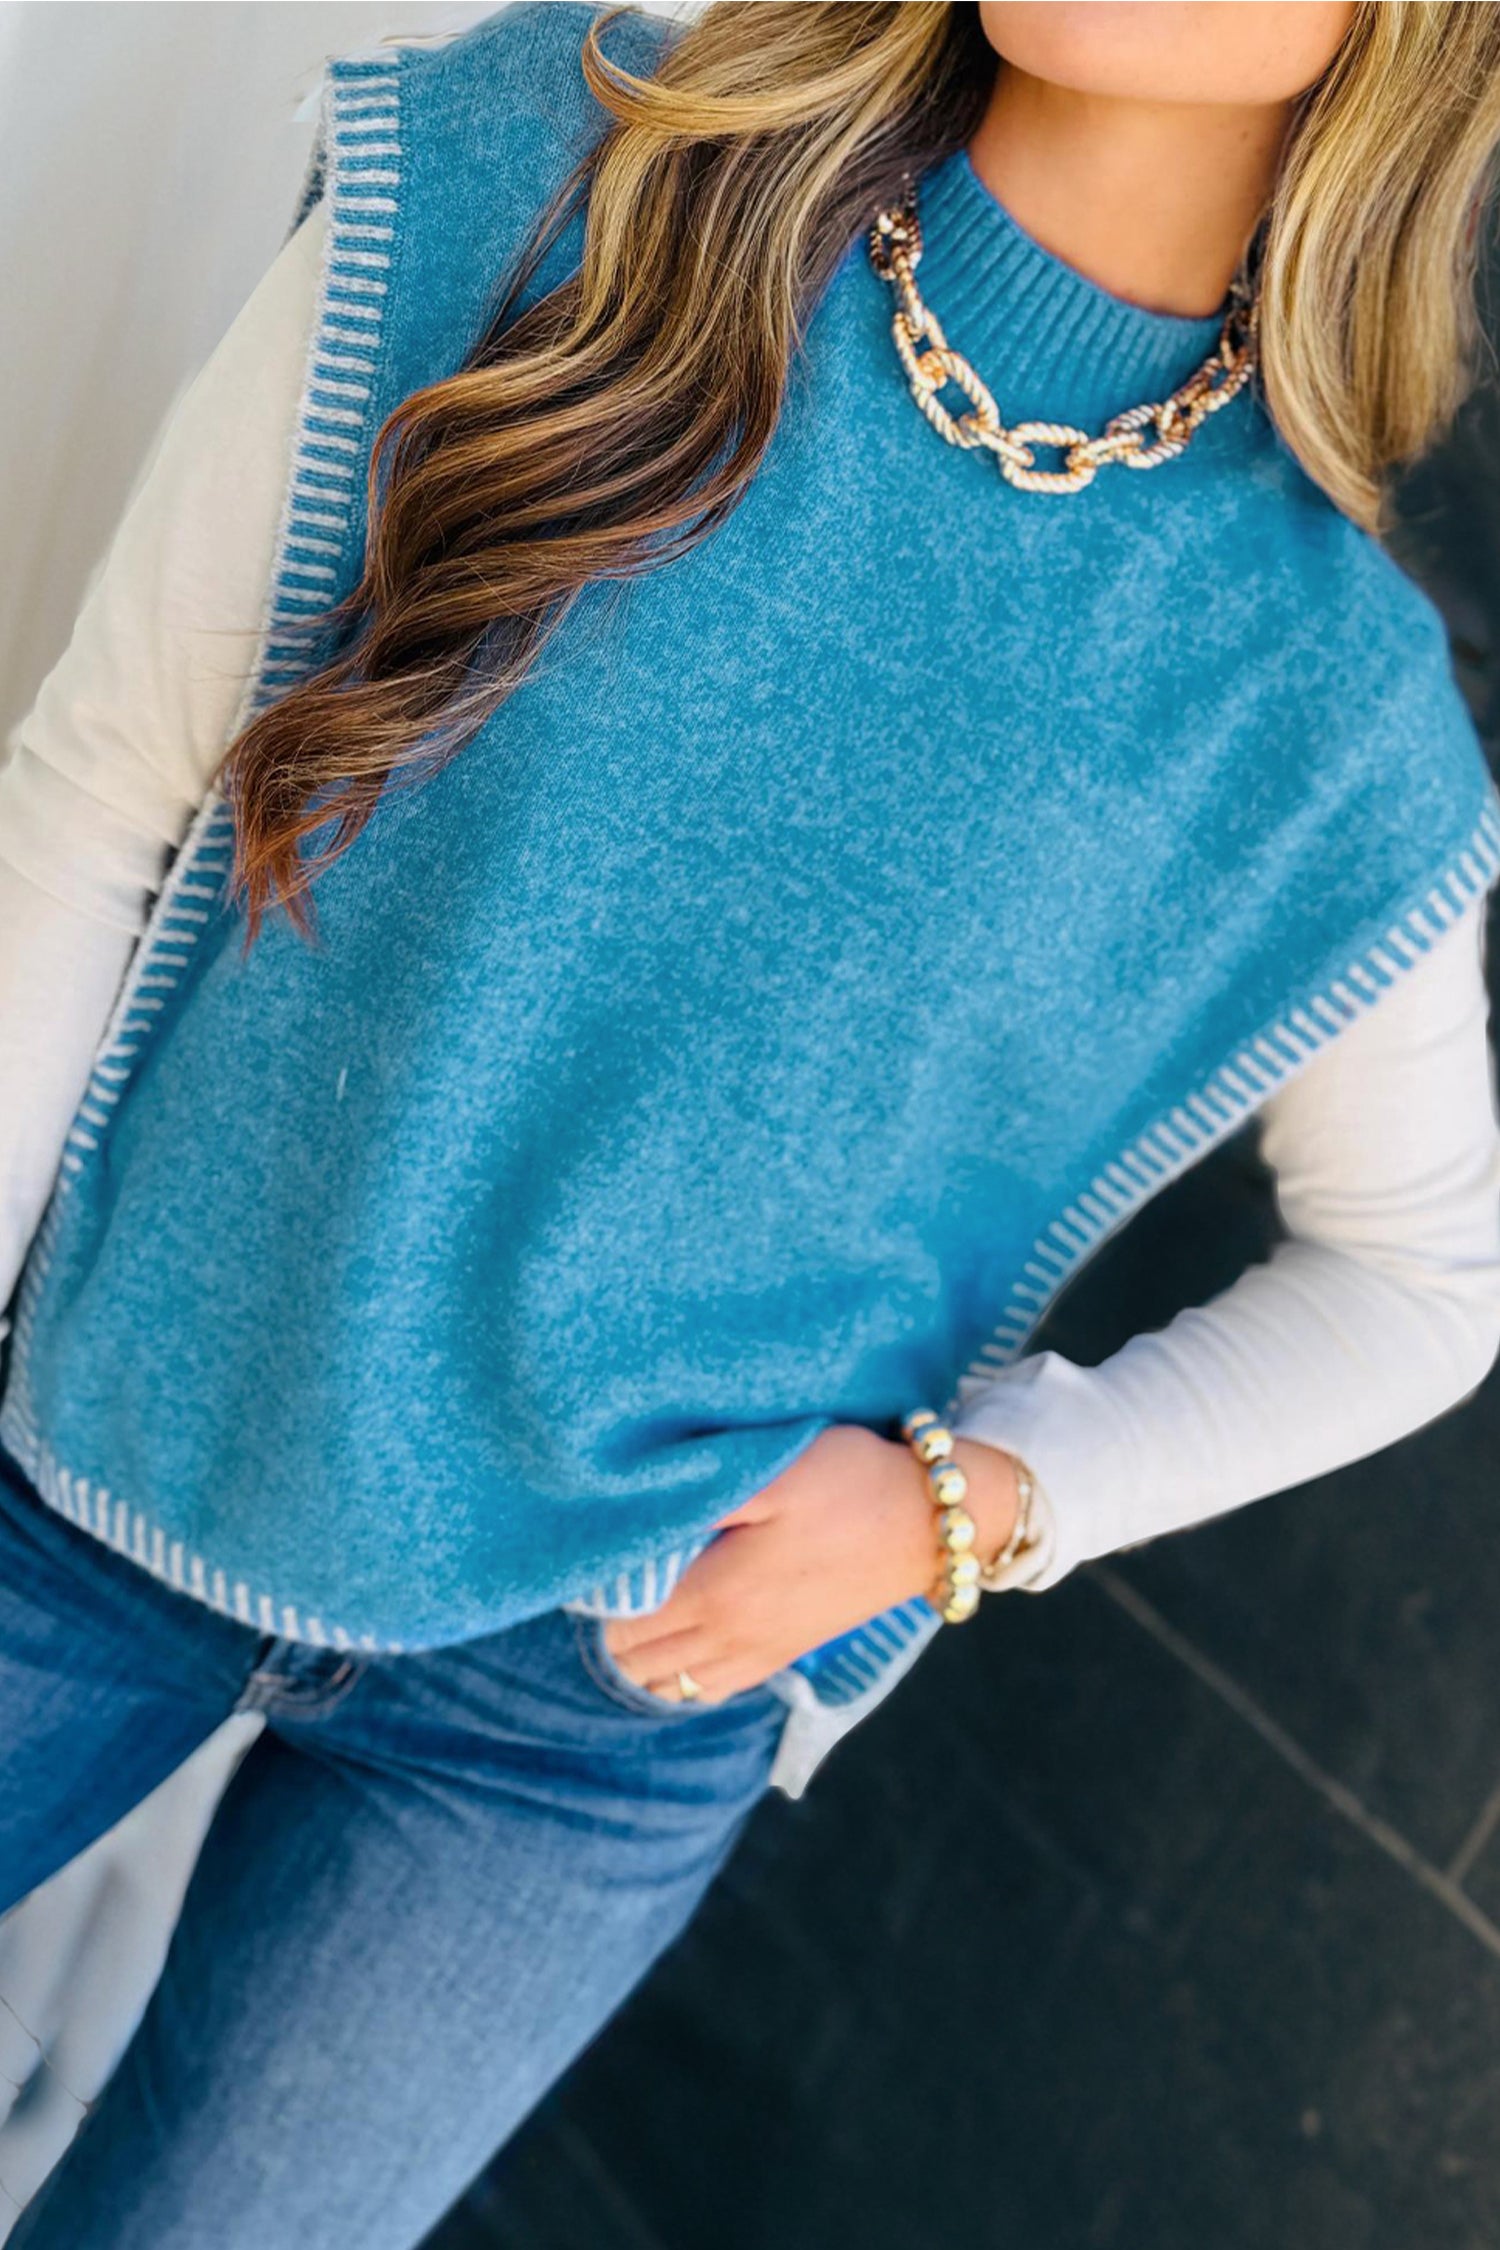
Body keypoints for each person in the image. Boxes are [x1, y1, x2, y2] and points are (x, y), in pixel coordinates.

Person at [4, 0, 1500, 2240]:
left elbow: (1423, 1281)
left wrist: (976, 1507)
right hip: (120, 1431)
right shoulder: (548, 162)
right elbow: (104, 793)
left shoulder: (1329, 714)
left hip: (599, 1708)